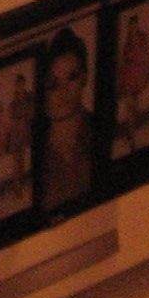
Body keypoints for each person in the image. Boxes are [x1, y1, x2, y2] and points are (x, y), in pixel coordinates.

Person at [37, 29, 95, 211]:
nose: (63, 91)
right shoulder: (35, 149)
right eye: (53, 82)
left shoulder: (99, 129)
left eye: (71, 77)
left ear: (85, 77)